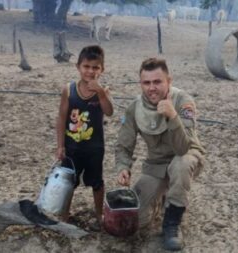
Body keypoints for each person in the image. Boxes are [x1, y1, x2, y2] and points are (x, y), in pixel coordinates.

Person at [115, 58, 206, 251]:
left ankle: (172, 222)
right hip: (156, 165)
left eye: (157, 82)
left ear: (168, 81)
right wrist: (123, 167)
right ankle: (163, 197)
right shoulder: (134, 108)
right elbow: (124, 145)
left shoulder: (183, 102)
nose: (152, 88)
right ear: (140, 84)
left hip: (186, 156)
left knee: (180, 166)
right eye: (146, 83)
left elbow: (183, 148)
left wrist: (173, 116)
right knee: (135, 221)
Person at [56, 45, 113, 231]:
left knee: (97, 182)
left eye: (95, 67)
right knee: (68, 182)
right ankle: (64, 214)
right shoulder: (69, 90)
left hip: (95, 148)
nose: (90, 71)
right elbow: (62, 118)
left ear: (102, 70)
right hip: (72, 148)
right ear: (78, 67)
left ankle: (99, 213)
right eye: (86, 66)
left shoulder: (102, 91)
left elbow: (109, 112)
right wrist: (60, 146)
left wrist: (102, 92)